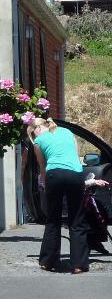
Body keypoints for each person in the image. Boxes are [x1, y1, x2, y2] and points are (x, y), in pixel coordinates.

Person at [29, 117, 109, 273]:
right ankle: (79, 264)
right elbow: (75, 157)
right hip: (75, 175)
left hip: (54, 175)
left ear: (36, 130)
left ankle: (48, 261)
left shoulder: (39, 142)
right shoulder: (67, 132)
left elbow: (43, 168)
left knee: (53, 219)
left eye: (32, 135)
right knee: (77, 219)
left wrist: (46, 187)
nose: (34, 138)